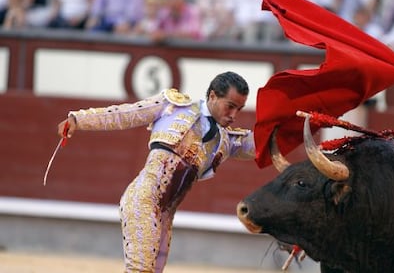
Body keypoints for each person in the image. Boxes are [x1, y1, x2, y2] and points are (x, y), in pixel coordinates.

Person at [56, 71, 256, 273]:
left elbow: (261, 145)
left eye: (239, 109)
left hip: (164, 219)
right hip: (142, 201)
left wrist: (288, 123)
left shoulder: (226, 140)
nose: (233, 115)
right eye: (230, 106)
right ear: (212, 96)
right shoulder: (173, 107)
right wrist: (78, 119)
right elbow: (124, 114)